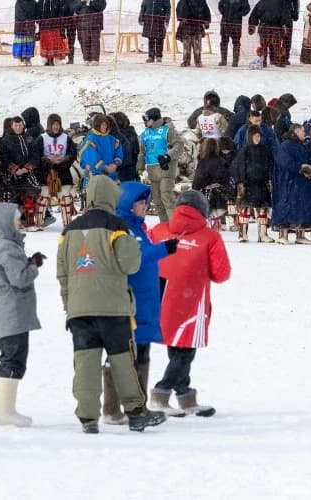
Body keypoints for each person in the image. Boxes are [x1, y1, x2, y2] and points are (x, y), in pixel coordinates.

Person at [57, 174, 164, 434]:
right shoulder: (117, 226)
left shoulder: (69, 229)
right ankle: (136, 412)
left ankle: (87, 416)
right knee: (123, 361)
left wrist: (69, 304)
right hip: (113, 308)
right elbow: (131, 263)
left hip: (79, 309)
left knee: (85, 363)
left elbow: (62, 271)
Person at [146, 189, 229, 417]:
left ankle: (185, 396)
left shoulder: (159, 230)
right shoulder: (210, 236)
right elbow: (222, 274)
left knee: (178, 349)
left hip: (159, 297)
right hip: (191, 301)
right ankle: (161, 393)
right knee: (185, 351)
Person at [100, 181, 176, 424]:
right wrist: (164, 249)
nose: (145, 206)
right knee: (123, 354)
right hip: (129, 302)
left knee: (141, 353)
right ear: (128, 204)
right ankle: (115, 409)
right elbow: (136, 259)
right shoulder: (122, 229)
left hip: (144, 302)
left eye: (145, 202)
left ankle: (135, 406)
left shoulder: (138, 227)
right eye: (140, 202)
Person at [0, 201, 44, 427]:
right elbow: (19, 279)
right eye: (16, 218)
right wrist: (34, 267)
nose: (20, 221)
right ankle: (5, 412)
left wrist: (29, 262)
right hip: (11, 310)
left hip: (9, 309)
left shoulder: (5, 245)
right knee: (13, 358)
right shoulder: (7, 247)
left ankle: (6, 410)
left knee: (13, 356)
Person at [139, 108, 176, 222]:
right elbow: (142, 152)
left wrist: (168, 156)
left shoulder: (167, 130)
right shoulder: (145, 134)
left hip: (165, 168)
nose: (146, 122)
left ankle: (175, 225)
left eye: (147, 120)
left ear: (154, 119)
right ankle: (164, 225)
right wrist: (139, 166)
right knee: (157, 199)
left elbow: (179, 145)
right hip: (152, 170)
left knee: (166, 196)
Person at [175, 0, 210, 67]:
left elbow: (206, 10)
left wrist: (206, 21)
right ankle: (186, 61)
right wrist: (183, 18)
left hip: (198, 26)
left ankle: (198, 61)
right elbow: (180, 8)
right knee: (186, 46)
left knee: (197, 46)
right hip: (187, 26)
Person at [75, 0, 107, 65]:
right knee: (84, 41)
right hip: (83, 24)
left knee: (94, 41)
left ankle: (95, 59)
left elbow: (102, 6)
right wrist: (81, 4)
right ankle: (86, 59)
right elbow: (76, 8)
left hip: (95, 23)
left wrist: (90, 3)